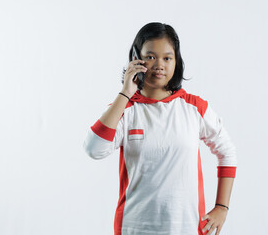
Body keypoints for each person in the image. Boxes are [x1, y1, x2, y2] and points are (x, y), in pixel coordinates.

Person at [83, 22, 237, 235]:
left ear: (177, 61)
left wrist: (222, 207)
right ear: (136, 58)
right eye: (150, 56)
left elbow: (227, 151)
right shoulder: (125, 109)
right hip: (134, 228)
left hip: (188, 228)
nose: (159, 65)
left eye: (167, 58)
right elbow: (94, 149)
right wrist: (125, 92)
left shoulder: (194, 108)